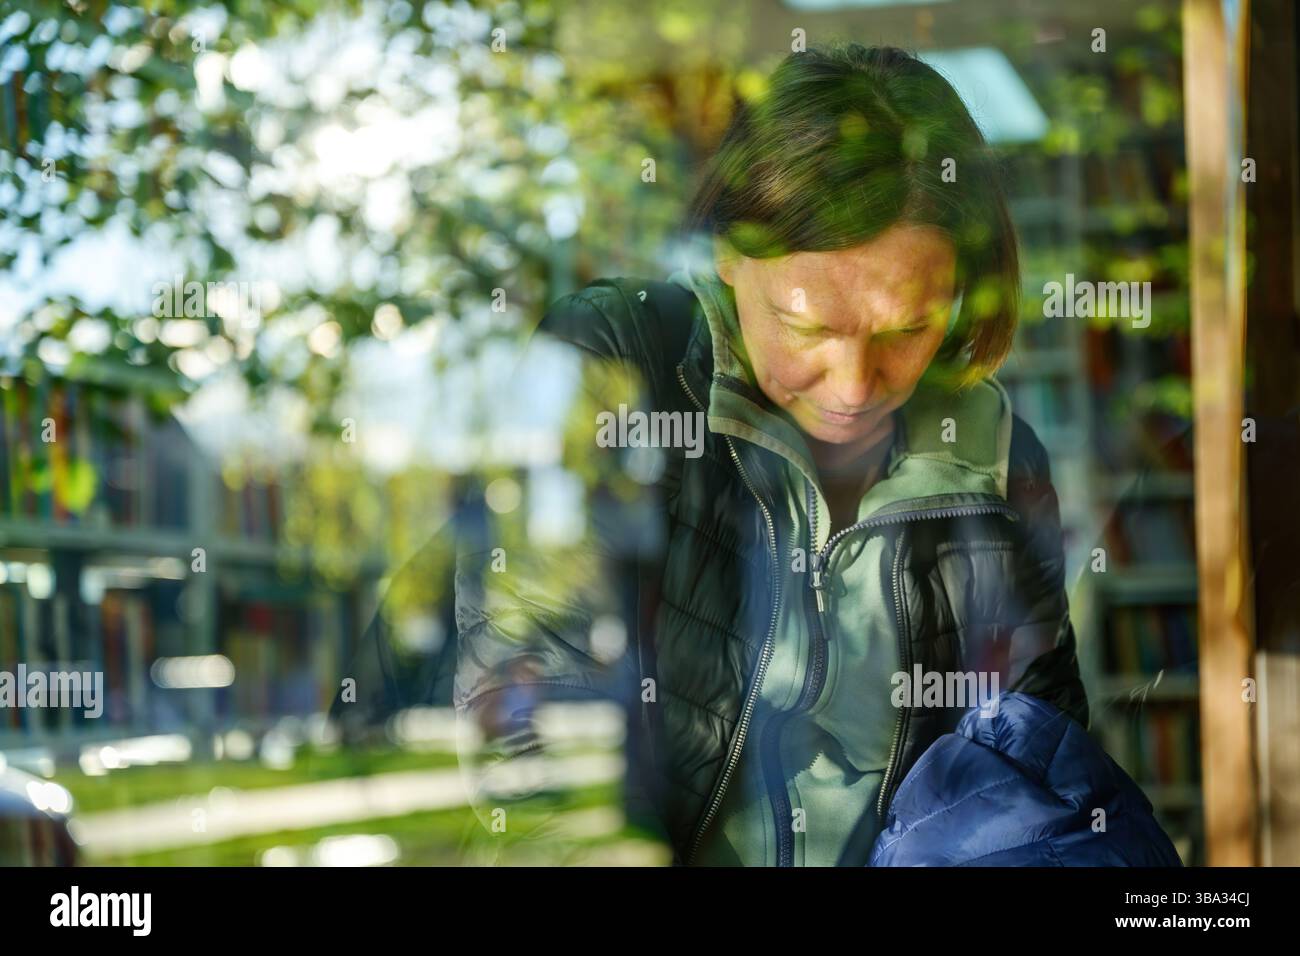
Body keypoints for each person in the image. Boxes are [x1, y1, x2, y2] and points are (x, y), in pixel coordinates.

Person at [436, 43, 1177, 866]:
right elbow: (526, 706)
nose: (856, 386)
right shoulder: (618, 364)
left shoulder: (998, 455)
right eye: (807, 327)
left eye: (906, 329)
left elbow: (1040, 792)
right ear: (726, 255)